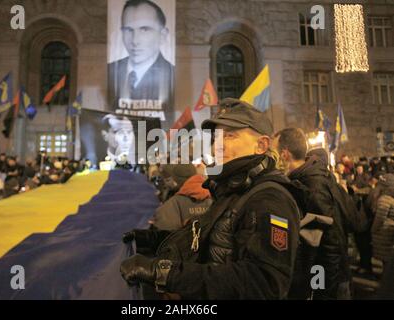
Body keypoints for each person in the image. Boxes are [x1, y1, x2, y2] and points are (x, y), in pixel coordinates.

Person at [120, 98, 300, 299]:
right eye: (217, 138)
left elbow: (264, 282)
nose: (217, 147)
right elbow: (200, 240)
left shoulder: (270, 199)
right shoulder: (232, 191)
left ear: (261, 145)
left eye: (230, 136)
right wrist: (146, 240)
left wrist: (165, 273)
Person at [273, 128, 351, 299]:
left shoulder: (312, 184)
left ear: (284, 155)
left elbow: (326, 242)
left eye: (274, 152)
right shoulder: (306, 177)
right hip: (327, 274)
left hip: (328, 278)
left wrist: (321, 288)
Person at [108, 0, 174, 125]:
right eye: (128, 30)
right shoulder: (109, 72)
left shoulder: (174, 76)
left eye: (144, 29)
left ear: (163, 35)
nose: (135, 40)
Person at [371, 174, 394, 280]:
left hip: (384, 233)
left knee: (386, 259)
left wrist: (373, 230)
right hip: (389, 232)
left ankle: (386, 278)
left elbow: (380, 218)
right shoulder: (391, 198)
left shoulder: (384, 199)